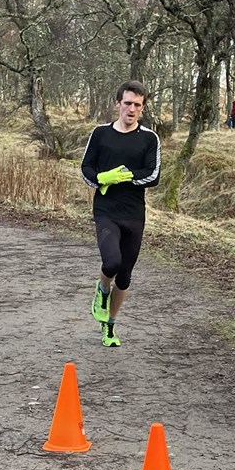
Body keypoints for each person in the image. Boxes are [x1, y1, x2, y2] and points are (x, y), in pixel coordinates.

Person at [80, 80, 161, 347]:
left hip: (134, 214)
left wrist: (122, 177)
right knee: (111, 263)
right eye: (127, 103)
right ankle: (102, 288)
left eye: (137, 105)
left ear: (143, 108)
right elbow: (86, 169)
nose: (132, 109)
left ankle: (109, 327)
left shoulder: (149, 138)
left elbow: (153, 175)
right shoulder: (101, 134)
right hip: (106, 211)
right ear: (118, 103)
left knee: (125, 276)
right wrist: (103, 178)